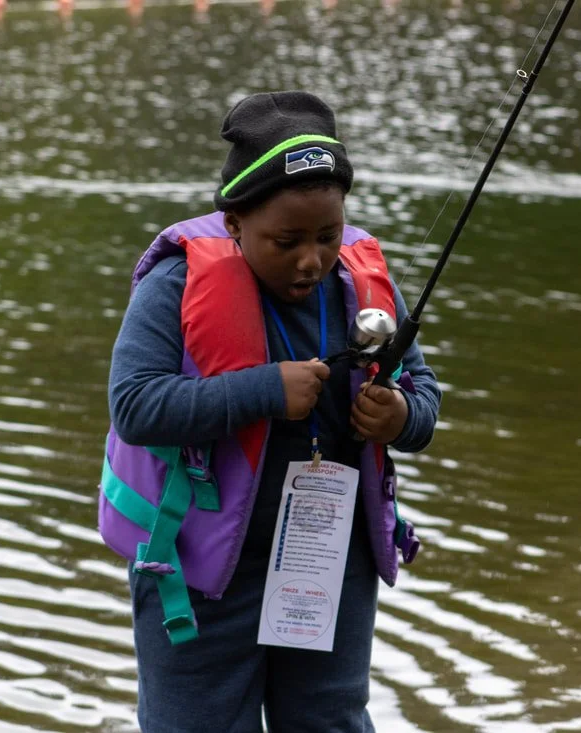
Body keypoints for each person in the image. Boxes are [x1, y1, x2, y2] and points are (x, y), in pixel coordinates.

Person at [99, 90, 441, 732]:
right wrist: (263, 390)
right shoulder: (175, 285)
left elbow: (424, 396)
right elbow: (135, 405)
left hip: (328, 562)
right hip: (201, 576)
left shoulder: (363, 285)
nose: (311, 259)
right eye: (285, 241)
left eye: (327, 236)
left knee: (330, 722)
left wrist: (399, 416)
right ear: (233, 224)